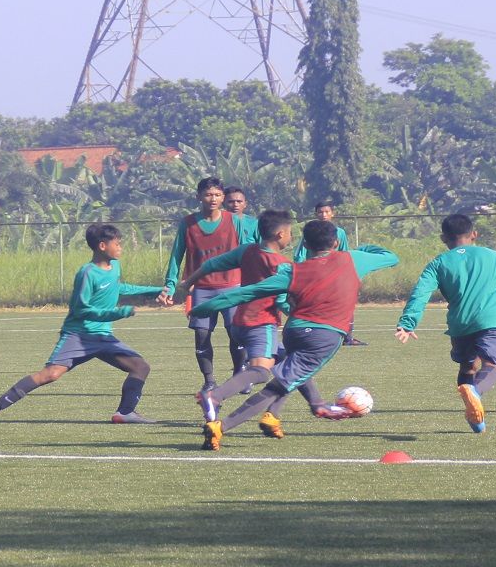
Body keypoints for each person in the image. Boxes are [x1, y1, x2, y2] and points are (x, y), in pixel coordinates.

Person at [191, 220, 399, 449]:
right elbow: (390, 256)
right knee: (276, 386)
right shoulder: (351, 259)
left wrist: (201, 308)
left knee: (290, 373)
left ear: (306, 244)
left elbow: (248, 292)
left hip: (294, 330)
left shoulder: (294, 271)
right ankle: (222, 426)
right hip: (323, 337)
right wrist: (359, 250)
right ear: (337, 242)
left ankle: (284, 411)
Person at [0, 223, 164, 426]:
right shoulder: (87, 273)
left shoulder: (115, 266)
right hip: (78, 335)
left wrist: (156, 290)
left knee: (140, 366)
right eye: (117, 244)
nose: (121, 248)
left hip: (103, 337)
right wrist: (118, 313)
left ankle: (125, 412)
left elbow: (119, 287)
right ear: (102, 246)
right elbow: (81, 310)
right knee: (50, 374)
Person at [179, 209, 335, 418]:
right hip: (261, 324)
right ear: (281, 234)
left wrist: (188, 282)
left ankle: (314, 404)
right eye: (290, 232)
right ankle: (214, 396)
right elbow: (284, 300)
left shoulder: (247, 251)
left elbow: (211, 264)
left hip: (239, 323)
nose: (291, 237)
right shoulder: (284, 266)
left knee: (290, 361)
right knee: (261, 371)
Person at [394, 214, 496, 433]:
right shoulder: (493, 256)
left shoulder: (438, 263)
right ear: (474, 234)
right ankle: (475, 393)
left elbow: (420, 293)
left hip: (460, 325)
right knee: (493, 366)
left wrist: (408, 323)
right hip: (491, 321)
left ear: (443, 238)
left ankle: (475, 420)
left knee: (468, 365)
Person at [159, 177, 249, 390]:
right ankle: (209, 381)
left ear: (223, 197)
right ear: (199, 196)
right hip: (202, 288)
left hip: (232, 286)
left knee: (236, 333)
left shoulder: (234, 221)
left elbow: (246, 252)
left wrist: (251, 283)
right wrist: (170, 285)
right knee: (201, 334)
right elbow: (176, 256)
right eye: (208, 194)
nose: (213, 199)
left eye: (217, 195)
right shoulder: (188, 223)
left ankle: (240, 375)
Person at [294, 201, 365, 345]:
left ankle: (348, 337)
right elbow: (299, 254)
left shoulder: (340, 233)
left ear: (333, 213)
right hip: (315, 274)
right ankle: (312, 334)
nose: (324, 215)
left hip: (335, 274)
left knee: (346, 303)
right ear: (316, 214)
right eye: (320, 212)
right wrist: (301, 270)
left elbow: (345, 253)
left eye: (327, 212)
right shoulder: (310, 232)